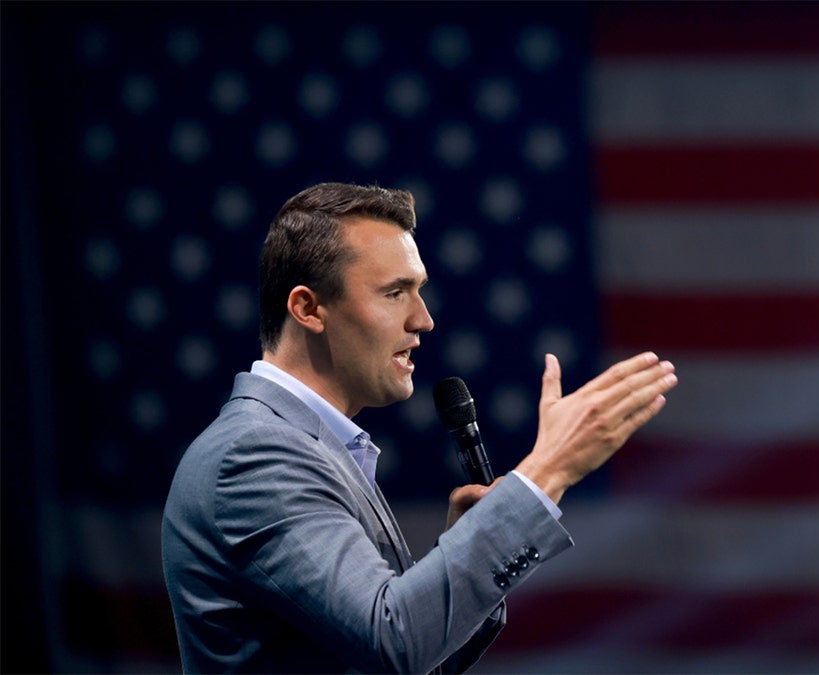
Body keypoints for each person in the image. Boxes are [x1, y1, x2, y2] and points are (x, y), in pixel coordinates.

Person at [161, 182, 678, 673]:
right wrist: (549, 470)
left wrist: (466, 544)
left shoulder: (310, 448)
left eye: (419, 291)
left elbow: (417, 659)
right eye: (394, 293)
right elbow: (396, 643)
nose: (424, 320)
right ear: (307, 308)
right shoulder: (254, 456)